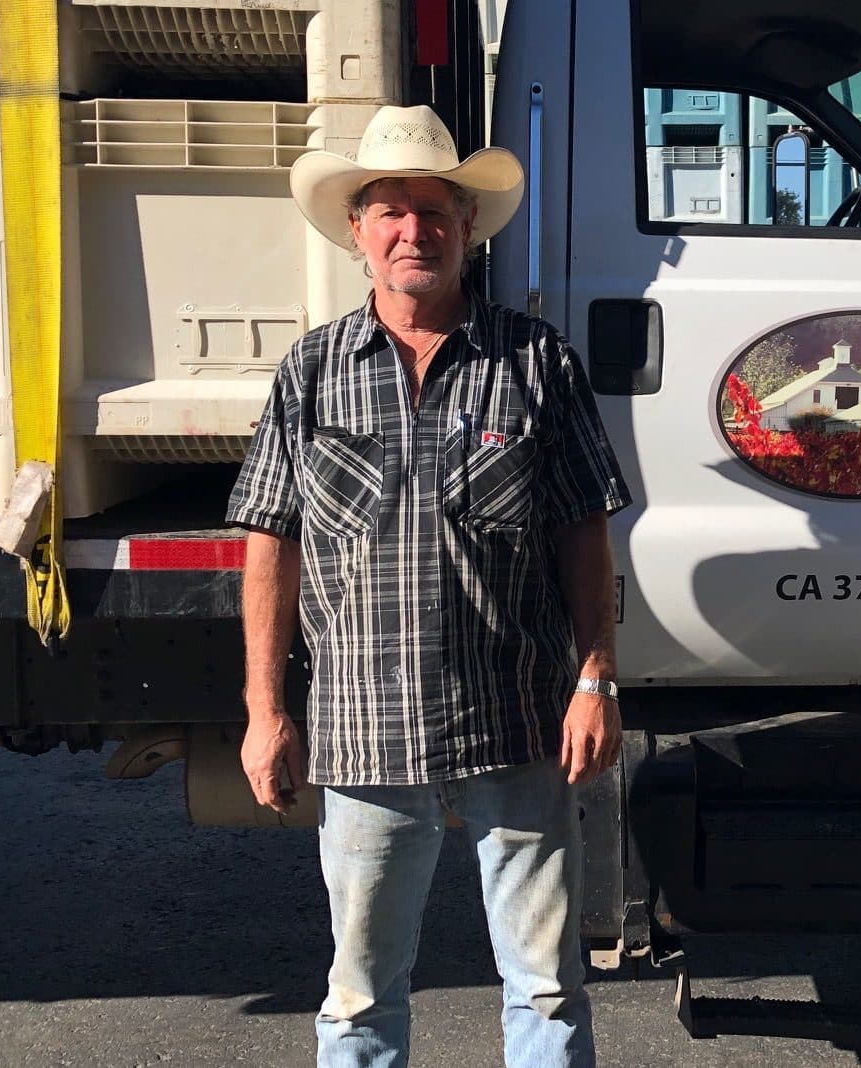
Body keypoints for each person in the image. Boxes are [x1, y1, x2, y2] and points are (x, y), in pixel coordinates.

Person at [225, 104, 631, 1068]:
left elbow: (583, 533)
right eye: (391, 211)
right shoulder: (314, 371)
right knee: (361, 993)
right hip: (365, 726)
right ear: (359, 231)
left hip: (520, 720)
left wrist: (597, 677)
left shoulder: (535, 364)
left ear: (467, 227)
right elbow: (269, 542)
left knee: (545, 986)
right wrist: (264, 709)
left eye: (435, 210)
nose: (416, 230)